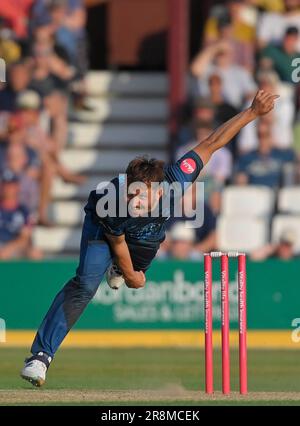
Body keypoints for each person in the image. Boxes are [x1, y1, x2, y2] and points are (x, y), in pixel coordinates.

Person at [20, 90, 278, 387]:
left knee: (147, 247)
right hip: (103, 229)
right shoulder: (115, 204)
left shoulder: (176, 181)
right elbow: (116, 242)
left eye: (142, 196)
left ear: (159, 190)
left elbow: (212, 143)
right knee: (86, 284)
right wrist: (131, 277)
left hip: (144, 234)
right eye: (132, 194)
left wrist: (252, 112)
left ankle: (118, 268)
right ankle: (40, 356)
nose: (136, 200)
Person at [235, 119, 296, 188]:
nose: (262, 139)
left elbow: (290, 181)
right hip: (254, 195)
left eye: (266, 135)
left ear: (272, 134)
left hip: (276, 194)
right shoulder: (246, 158)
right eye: (260, 135)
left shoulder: (285, 155)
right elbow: (241, 183)